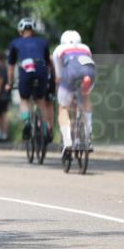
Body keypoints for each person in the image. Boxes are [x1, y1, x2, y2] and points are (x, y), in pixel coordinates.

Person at [5, 17, 53, 144]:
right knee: (41, 100)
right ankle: (44, 129)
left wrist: (10, 83)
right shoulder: (43, 42)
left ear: (21, 31)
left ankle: (27, 122)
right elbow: (49, 63)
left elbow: (11, 67)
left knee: (24, 99)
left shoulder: (15, 43)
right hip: (41, 68)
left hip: (26, 68)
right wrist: (49, 79)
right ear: (33, 30)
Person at [52, 29, 97, 162]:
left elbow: (59, 76)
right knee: (85, 99)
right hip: (89, 73)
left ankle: (67, 141)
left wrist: (58, 89)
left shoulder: (58, 50)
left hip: (70, 74)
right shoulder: (86, 48)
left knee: (63, 107)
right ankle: (88, 132)